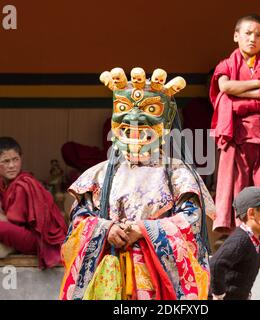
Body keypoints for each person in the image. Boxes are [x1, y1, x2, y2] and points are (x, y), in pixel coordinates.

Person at [59, 67, 216, 300]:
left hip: (156, 283)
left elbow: (191, 222)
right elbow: (79, 220)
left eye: (149, 113)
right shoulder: (98, 175)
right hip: (108, 278)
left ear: (164, 124)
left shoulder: (178, 174)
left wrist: (142, 230)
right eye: (123, 112)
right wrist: (106, 229)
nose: (133, 122)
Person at [209, 14, 260, 255]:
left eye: (259, 35)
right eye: (247, 33)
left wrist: (242, 93)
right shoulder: (227, 64)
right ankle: (236, 242)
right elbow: (224, 88)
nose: (252, 38)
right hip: (235, 138)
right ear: (236, 36)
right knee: (235, 187)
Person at [209, 186, 260, 300]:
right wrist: (219, 295)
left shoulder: (256, 240)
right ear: (251, 213)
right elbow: (215, 264)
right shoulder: (241, 240)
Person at [0, 137, 67, 268]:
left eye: (15, 160)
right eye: (6, 161)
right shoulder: (4, 184)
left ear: (21, 158)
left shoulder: (23, 184)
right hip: (21, 235)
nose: (12, 166)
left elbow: (14, 223)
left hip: (40, 241)